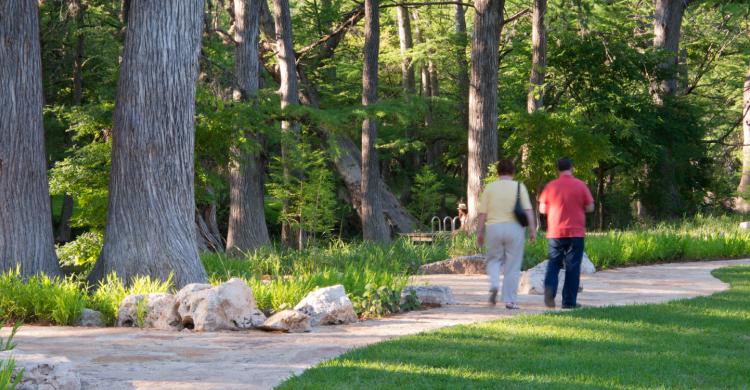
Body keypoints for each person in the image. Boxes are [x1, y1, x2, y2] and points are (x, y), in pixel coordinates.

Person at [476, 159, 536, 309]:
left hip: (494, 228)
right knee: (513, 265)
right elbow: (528, 210)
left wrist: (480, 232)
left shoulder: (490, 188)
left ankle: (495, 284)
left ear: (498, 172)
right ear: (513, 172)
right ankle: (509, 300)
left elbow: (482, 213)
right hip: (514, 229)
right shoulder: (519, 187)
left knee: (493, 260)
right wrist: (532, 230)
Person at [538, 157, 594, 309]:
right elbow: (590, 207)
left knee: (553, 264)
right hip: (576, 232)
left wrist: (554, 210)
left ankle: (549, 292)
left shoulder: (551, 186)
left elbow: (542, 209)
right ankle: (569, 302)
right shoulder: (580, 185)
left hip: (555, 232)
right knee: (573, 267)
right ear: (572, 168)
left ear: (558, 170)